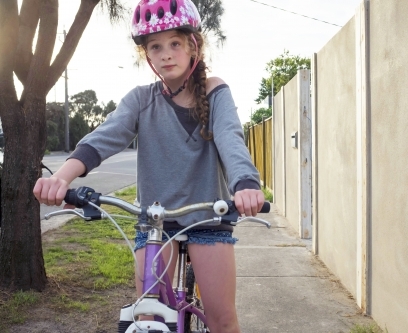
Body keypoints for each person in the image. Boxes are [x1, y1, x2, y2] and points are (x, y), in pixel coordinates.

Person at [33, 0, 264, 332]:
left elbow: (230, 137)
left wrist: (245, 183)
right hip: (156, 222)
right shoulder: (142, 99)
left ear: (192, 46)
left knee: (223, 320)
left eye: (175, 43)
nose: (166, 53)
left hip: (209, 217)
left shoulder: (214, 91)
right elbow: (104, 137)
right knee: (148, 317)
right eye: (156, 46)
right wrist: (61, 177)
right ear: (147, 55)